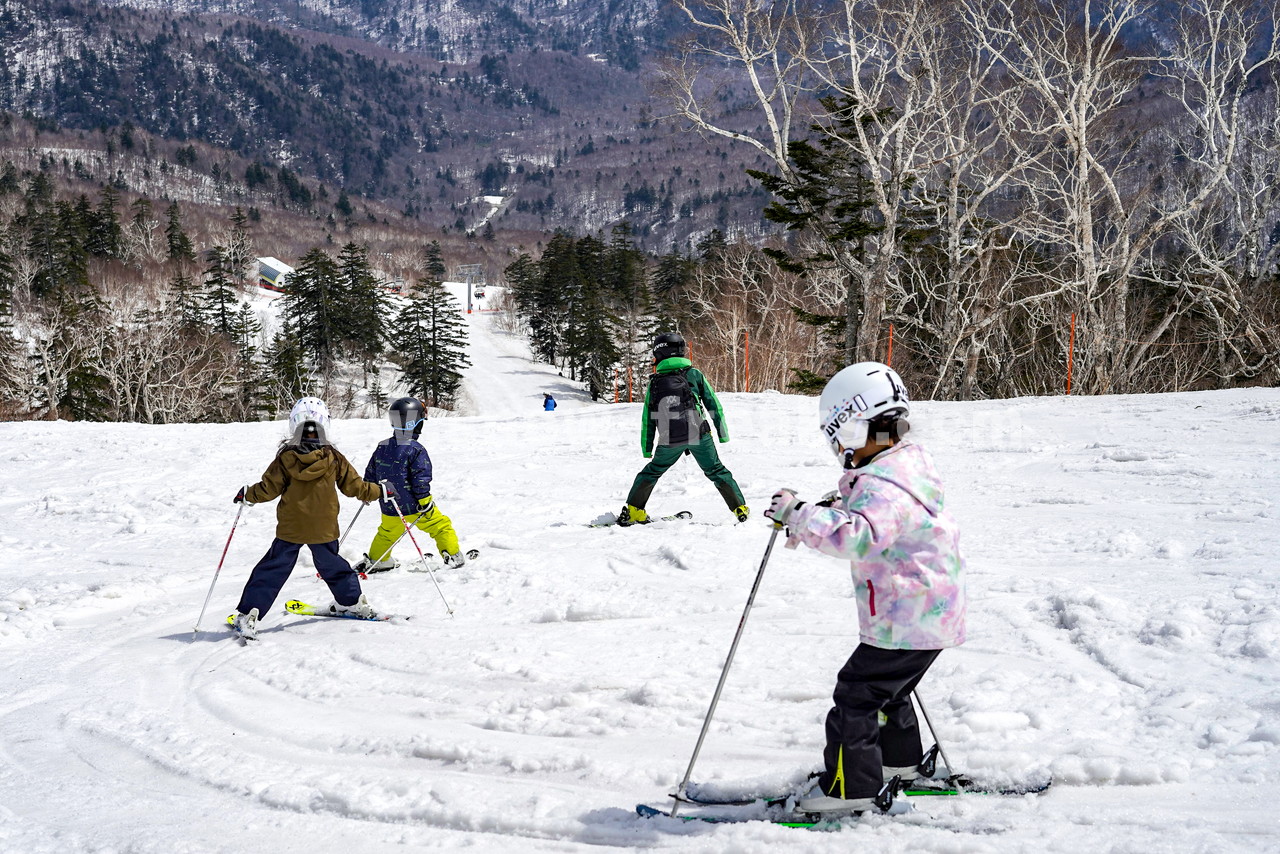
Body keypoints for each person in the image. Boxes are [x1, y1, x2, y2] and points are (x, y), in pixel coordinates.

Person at [763, 362, 967, 816]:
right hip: (927, 613)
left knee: (856, 695)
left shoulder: (882, 485)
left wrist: (800, 516)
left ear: (857, 427)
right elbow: (876, 517)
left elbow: (858, 536)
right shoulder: (904, 470)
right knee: (886, 693)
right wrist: (833, 506)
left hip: (907, 617)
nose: (840, 449)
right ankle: (899, 765)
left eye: (840, 438)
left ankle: (849, 789)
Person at [230, 397, 385, 640]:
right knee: (333, 565)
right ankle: (352, 602)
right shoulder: (333, 458)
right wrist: (381, 490)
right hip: (324, 527)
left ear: (295, 425)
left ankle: (249, 613)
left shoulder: (285, 458)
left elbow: (268, 489)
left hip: (291, 528)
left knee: (273, 568)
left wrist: (247, 494)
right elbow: (355, 487)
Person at [619, 331, 748, 525]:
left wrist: (647, 448)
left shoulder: (655, 382)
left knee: (652, 472)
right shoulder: (694, 374)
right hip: (699, 435)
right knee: (716, 470)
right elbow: (713, 404)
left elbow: (648, 418)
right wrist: (722, 434)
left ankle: (634, 510)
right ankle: (739, 508)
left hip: (669, 439)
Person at [353, 397, 467, 573]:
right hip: (415, 506)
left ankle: (379, 560)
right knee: (441, 525)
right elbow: (420, 479)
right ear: (416, 424)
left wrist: (368, 491)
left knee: (387, 533)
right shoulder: (415, 449)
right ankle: (451, 554)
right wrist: (425, 501)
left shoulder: (382, 446)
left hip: (389, 505)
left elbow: (371, 472)